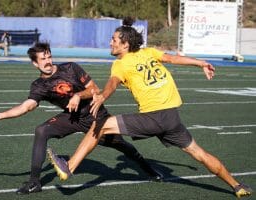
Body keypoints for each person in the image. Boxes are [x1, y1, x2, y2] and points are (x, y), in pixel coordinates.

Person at [48, 18, 252, 198]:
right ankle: (237, 185)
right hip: (172, 119)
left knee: (98, 125)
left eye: (114, 40)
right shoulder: (149, 52)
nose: (110, 42)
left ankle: (69, 166)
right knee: (200, 153)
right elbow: (173, 58)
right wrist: (201, 63)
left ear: (125, 44)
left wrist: (102, 96)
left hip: (154, 118)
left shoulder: (121, 64)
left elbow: (112, 84)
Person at [0, 42, 163, 195]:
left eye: (48, 56)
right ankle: (34, 182)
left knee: (122, 145)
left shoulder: (70, 68)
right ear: (35, 63)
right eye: (42, 59)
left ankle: (148, 169)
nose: (47, 61)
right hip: (72, 118)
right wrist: (1, 115)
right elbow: (27, 106)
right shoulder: (39, 85)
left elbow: (95, 89)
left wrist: (78, 95)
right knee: (41, 130)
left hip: (95, 116)